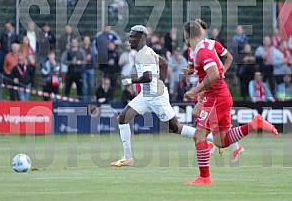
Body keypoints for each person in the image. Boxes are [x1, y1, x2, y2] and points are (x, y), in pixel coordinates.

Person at [183, 20, 278, 185]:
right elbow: (208, 70)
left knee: (199, 135)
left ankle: (204, 178)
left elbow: (213, 75)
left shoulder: (203, 51)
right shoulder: (199, 50)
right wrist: (193, 71)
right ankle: (254, 124)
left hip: (215, 97)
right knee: (221, 141)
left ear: (186, 35)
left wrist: (195, 90)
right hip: (220, 95)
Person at [110, 25, 215, 168]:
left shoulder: (144, 54)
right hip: (146, 95)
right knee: (122, 118)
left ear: (141, 38)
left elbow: (147, 77)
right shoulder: (148, 51)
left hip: (156, 97)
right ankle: (128, 158)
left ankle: (214, 139)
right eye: (129, 36)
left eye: (132, 36)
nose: (129, 39)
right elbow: (164, 64)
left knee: (176, 128)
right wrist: (161, 82)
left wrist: (130, 80)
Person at [185, 18, 244, 163]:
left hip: (212, 88)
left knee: (202, 121)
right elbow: (195, 68)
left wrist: (223, 69)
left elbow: (228, 58)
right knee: (196, 114)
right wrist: (189, 71)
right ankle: (228, 145)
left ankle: (221, 145)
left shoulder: (211, 44)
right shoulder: (193, 49)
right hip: (205, 88)